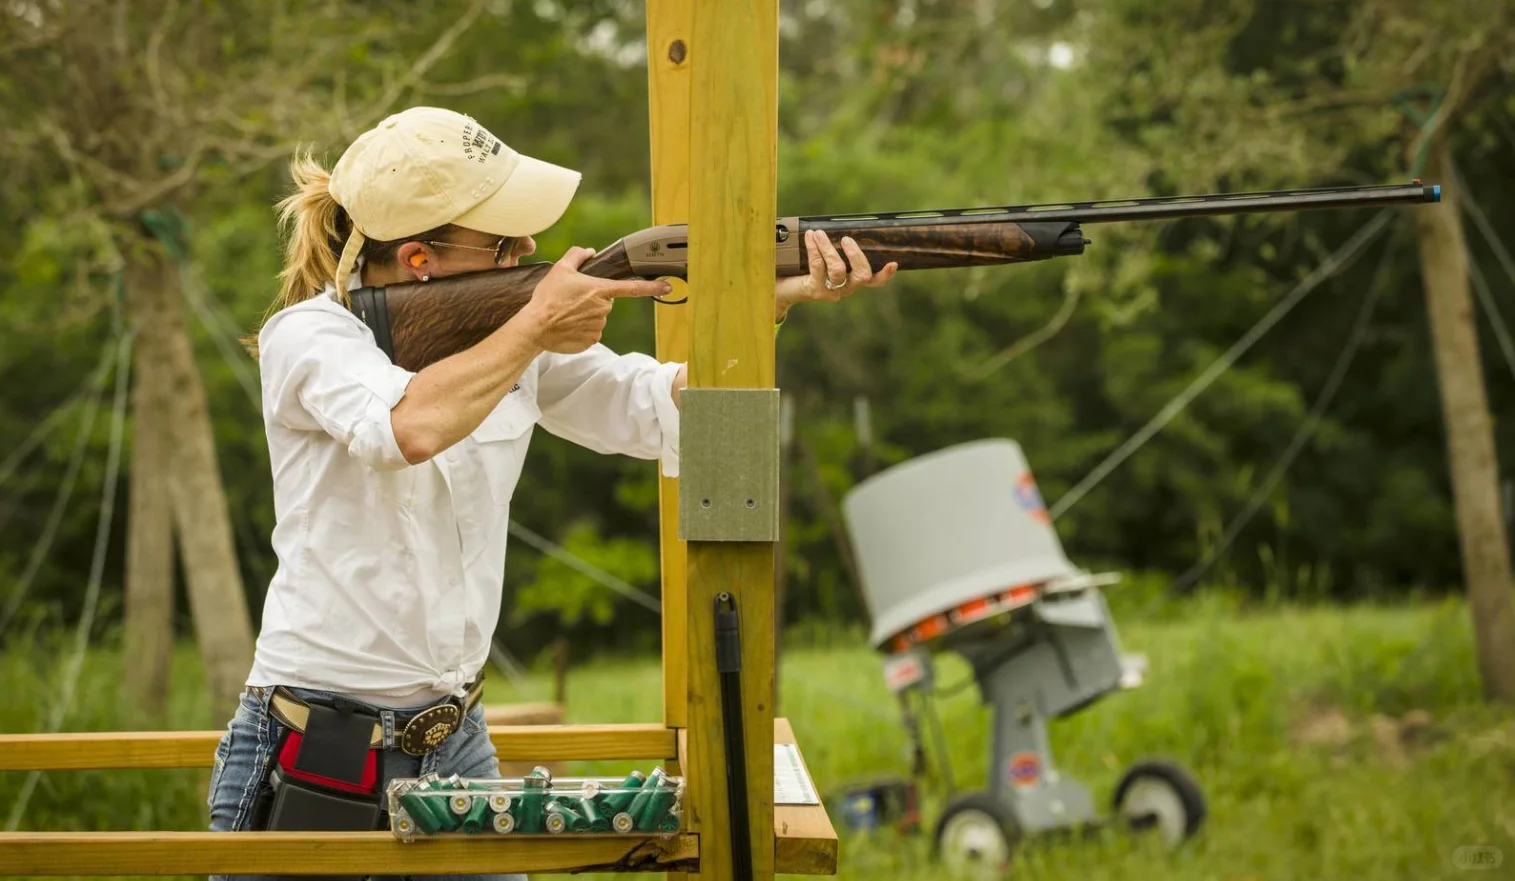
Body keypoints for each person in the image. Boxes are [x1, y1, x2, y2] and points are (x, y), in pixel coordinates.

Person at [206, 105, 897, 881]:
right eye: (504, 240)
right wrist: (534, 325)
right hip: (314, 746)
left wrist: (762, 305)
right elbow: (409, 428)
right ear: (419, 259)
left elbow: (661, 410)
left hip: (454, 736)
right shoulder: (310, 336)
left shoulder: (506, 340)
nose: (530, 250)